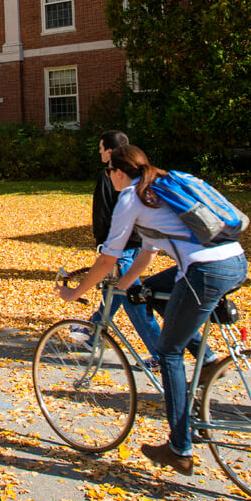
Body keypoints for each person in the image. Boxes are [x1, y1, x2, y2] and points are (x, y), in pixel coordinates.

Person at [59, 145, 247, 477]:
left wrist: (75, 292)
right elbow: (146, 256)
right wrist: (122, 288)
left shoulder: (131, 197)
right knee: (148, 293)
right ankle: (207, 363)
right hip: (234, 262)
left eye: (110, 174)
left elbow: (107, 259)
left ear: (117, 172)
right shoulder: (160, 186)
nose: (110, 179)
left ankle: (179, 448)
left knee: (168, 352)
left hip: (203, 272)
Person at [83, 131, 163, 367]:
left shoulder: (109, 177)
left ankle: (160, 353)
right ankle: (94, 332)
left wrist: (103, 243)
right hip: (138, 244)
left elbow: (104, 213)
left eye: (101, 148)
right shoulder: (136, 175)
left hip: (123, 247)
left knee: (132, 299)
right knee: (114, 291)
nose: (99, 152)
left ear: (109, 151)